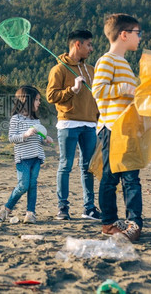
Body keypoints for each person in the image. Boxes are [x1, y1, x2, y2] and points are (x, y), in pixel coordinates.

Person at [92, 13, 143, 242]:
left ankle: (134, 223)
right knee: (111, 177)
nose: (139, 38)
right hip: (112, 128)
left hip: (128, 129)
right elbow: (98, 90)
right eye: (137, 33)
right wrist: (124, 88)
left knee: (132, 177)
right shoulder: (107, 60)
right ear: (124, 35)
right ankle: (109, 223)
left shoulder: (124, 63)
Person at [47, 30, 101, 221]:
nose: (91, 49)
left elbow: (97, 98)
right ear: (77, 44)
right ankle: (62, 208)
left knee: (88, 167)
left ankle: (89, 208)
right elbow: (51, 96)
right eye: (88, 44)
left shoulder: (92, 70)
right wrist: (73, 90)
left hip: (90, 125)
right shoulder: (59, 69)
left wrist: (99, 118)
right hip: (68, 123)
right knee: (65, 165)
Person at [0, 86, 53, 224]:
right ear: (27, 100)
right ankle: (6, 209)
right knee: (23, 185)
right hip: (23, 159)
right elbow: (11, 138)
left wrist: (45, 140)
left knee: (33, 185)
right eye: (37, 100)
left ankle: (30, 213)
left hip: (36, 157)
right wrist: (25, 135)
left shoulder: (36, 121)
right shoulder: (16, 119)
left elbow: (39, 139)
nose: (39, 103)